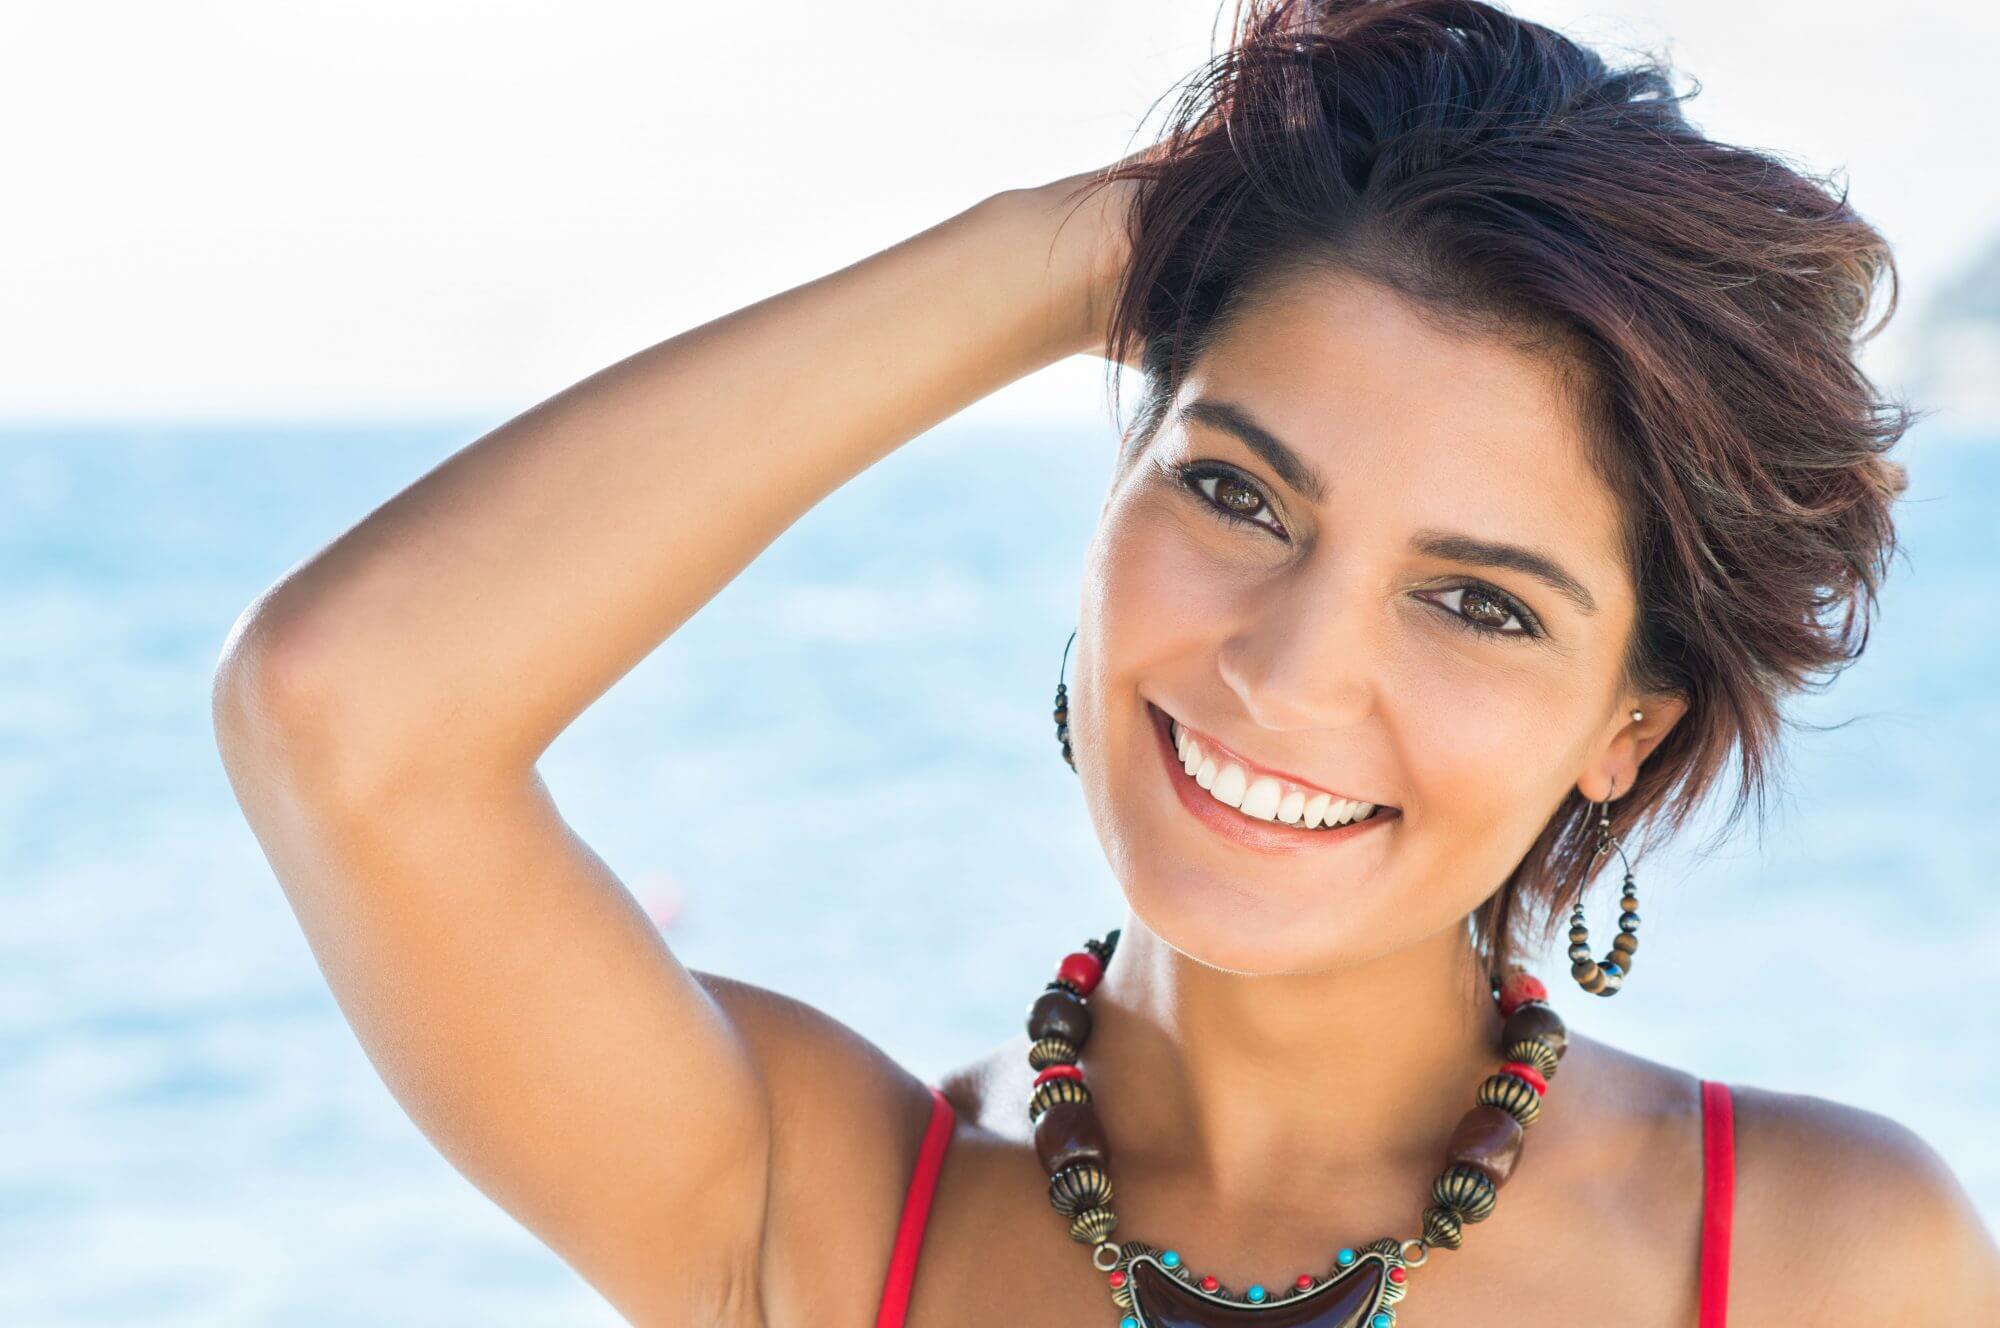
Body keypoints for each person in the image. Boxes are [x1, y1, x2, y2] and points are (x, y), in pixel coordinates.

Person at [211, 1, 2000, 1323]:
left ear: (1627, 727)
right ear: (1119, 482)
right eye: (1234, 489)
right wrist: (1073, 246)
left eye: (1478, 601)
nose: (1291, 675)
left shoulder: (1817, 1260)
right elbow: (346, 707)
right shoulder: (823, 1218)